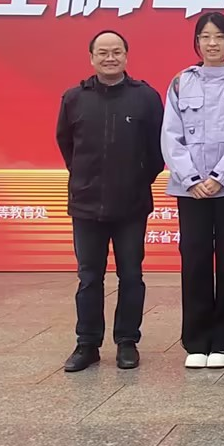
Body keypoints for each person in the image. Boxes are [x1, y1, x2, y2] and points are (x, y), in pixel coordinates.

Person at [56, 30, 166, 372]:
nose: (110, 58)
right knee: (89, 277)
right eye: (102, 52)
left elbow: (157, 150)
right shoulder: (74, 98)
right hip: (86, 204)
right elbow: (66, 145)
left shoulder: (145, 97)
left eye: (116, 52)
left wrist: (137, 179)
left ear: (126, 56)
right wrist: (85, 178)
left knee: (131, 275)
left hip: (131, 205)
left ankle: (127, 341)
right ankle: (87, 344)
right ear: (91, 57)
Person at [162, 12, 224, 369]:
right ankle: (197, 341)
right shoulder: (180, 83)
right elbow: (170, 135)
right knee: (195, 260)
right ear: (197, 42)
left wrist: (220, 176)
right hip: (191, 191)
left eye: (219, 36)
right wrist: (190, 178)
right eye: (205, 36)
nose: (212, 43)